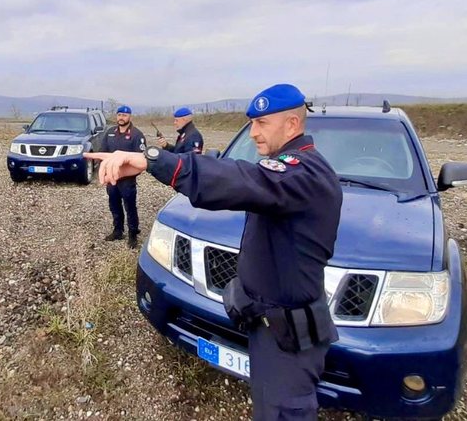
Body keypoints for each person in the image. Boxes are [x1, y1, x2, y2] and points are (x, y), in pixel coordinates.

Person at [85, 84, 342, 421]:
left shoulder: (304, 173)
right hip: (270, 327)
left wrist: (153, 160)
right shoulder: (290, 169)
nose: (253, 133)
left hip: (288, 342)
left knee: (281, 412)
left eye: (262, 123)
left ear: (292, 124)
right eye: (251, 123)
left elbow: (240, 178)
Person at [99, 105, 146, 248]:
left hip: (127, 180)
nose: (121, 117)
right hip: (112, 178)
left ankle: (133, 234)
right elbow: (103, 153)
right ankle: (118, 231)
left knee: (130, 207)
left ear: (129, 116)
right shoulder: (110, 133)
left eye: (124, 115)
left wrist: (129, 172)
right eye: (119, 115)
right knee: (114, 205)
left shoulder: (137, 135)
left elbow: (141, 159)